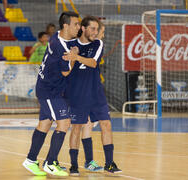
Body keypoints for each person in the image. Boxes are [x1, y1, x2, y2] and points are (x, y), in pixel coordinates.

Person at [22, 11, 80, 177]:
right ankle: (50, 162)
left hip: (48, 87)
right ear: (66, 26)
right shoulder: (59, 46)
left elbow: (74, 41)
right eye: (76, 24)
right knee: (64, 122)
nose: (78, 27)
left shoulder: (58, 35)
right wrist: (74, 57)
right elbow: (66, 72)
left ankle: (31, 160)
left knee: (45, 124)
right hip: (50, 90)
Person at [63, 16, 121, 176]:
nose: (96, 32)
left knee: (106, 125)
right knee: (76, 128)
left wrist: (76, 57)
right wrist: (72, 58)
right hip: (77, 94)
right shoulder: (70, 44)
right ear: (83, 28)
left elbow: (93, 63)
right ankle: (74, 165)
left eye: (97, 29)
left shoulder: (98, 44)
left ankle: (109, 163)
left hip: (96, 93)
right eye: (93, 29)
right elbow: (65, 68)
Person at [80, 21, 105, 172]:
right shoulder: (82, 45)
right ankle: (51, 160)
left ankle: (89, 161)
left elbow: (92, 64)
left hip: (90, 92)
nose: (101, 35)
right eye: (100, 31)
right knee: (68, 124)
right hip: (76, 91)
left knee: (87, 125)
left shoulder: (96, 46)